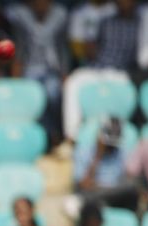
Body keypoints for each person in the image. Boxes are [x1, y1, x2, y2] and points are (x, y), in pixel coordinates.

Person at [61, 0, 139, 140]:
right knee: (73, 81)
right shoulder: (106, 22)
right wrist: (90, 48)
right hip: (97, 68)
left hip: (120, 72)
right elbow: (93, 48)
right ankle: (72, 136)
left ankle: (114, 140)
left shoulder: (139, 24)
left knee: (123, 91)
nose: (124, 3)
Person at [5, 0, 68, 140]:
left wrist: (64, 74)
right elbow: (19, 46)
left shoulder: (60, 14)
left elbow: (63, 48)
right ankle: (38, 137)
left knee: (53, 93)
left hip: (52, 69)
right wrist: (16, 75)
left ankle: (53, 134)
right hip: (29, 68)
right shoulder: (20, 14)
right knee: (32, 96)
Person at [73, 118, 139, 211]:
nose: (111, 147)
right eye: (109, 143)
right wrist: (98, 155)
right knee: (81, 198)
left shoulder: (123, 153)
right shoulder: (82, 152)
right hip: (94, 194)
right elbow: (84, 185)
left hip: (116, 194)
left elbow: (127, 180)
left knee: (132, 190)